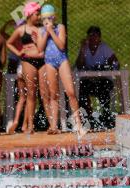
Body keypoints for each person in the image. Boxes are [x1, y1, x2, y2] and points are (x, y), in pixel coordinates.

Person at [38, 4, 83, 134]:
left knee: (70, 92)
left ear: (54, 17)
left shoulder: (60, 27)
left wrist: (52, 31)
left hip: (62, 60)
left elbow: (62, 46)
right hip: (49, 62)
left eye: (49, 18)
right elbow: (40, 48)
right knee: (53, 94)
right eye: (44, 18)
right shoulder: (41, 31)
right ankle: (53, 126)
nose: (47, 20)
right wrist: (47, 32)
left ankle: (78, 123)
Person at [6, 2, 46, 134]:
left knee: (44, 93)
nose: (39, 16)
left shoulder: (41, 28)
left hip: (42, 61)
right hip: (28, 61)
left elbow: (43, 47)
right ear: (29, 14)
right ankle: (30, 125)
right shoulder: (21, 30)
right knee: (31, 93)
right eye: (37, 13)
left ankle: (49, 124)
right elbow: (9, 43)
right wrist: (18, 53)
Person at [75, 26, 119, 130]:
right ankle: (86, 116)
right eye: (90, 35)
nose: (92, 38)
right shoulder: (85, 48)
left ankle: (107, 116)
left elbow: (115, 62)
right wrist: (82, 49)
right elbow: (79, 65)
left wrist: (102, 67)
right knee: (82, 87)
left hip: (102, 79)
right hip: (89, 80)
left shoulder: (104, 47)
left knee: (105, 88)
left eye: (95, 35)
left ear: (99, 37)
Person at [1, 17, 26, 133]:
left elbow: (1, 32)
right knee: (24, 96)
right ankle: (22, 122)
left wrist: (7, 24)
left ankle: (17, 120)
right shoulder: (25, 39)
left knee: (20, 97)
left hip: (18, 65)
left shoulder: (15, 38)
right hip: (20, 64)